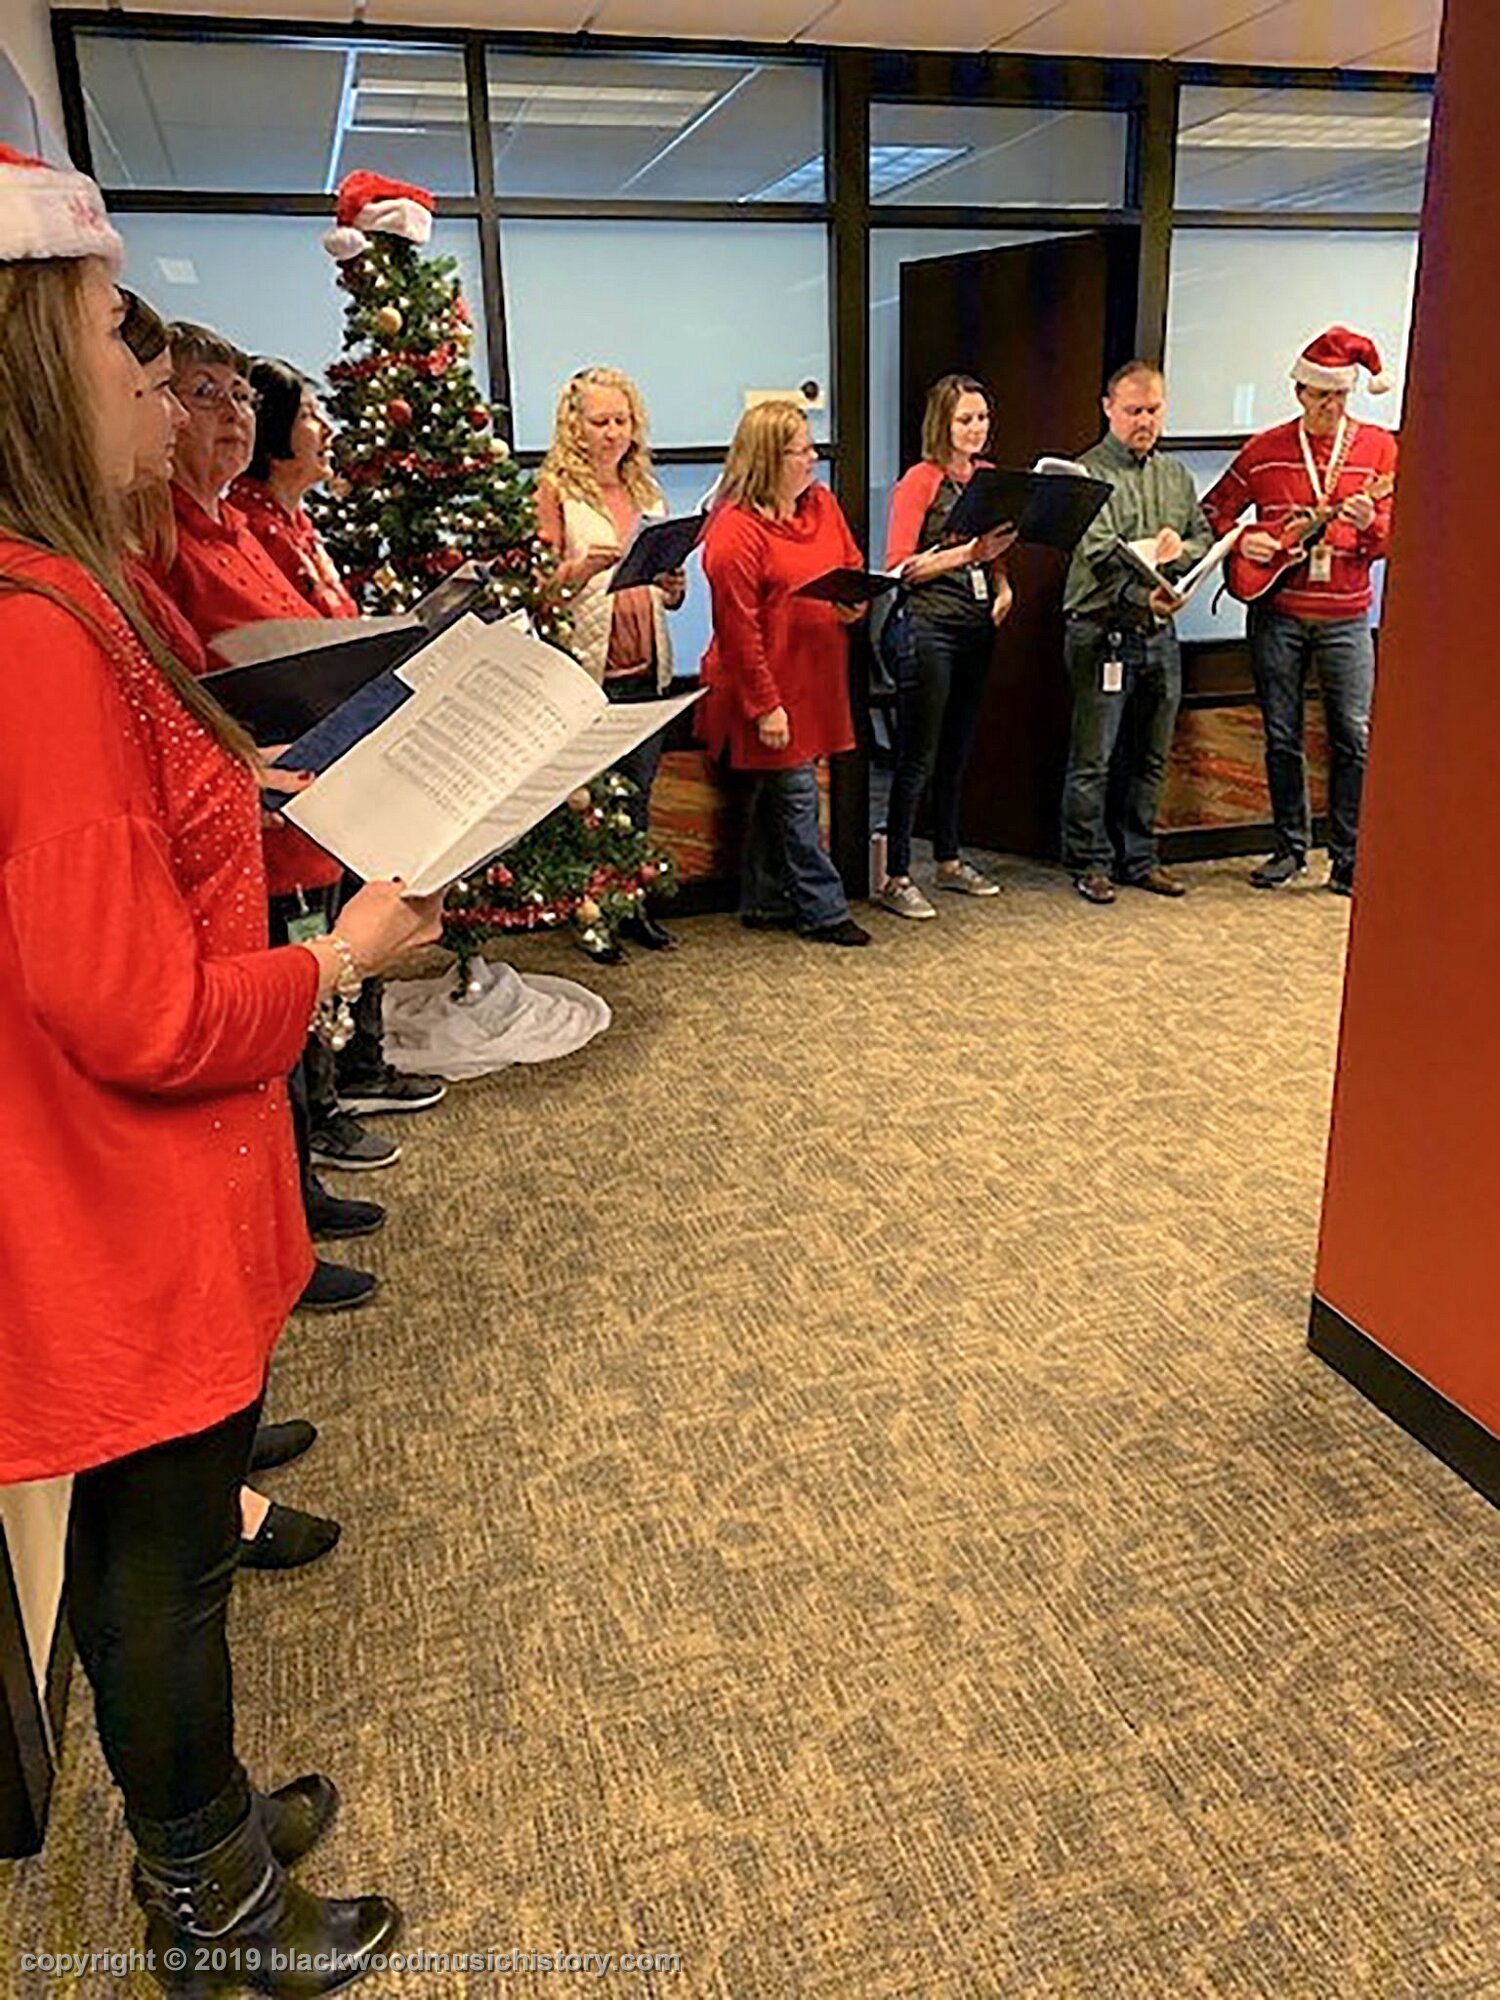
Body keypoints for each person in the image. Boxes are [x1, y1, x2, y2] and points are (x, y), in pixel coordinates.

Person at [0, 145, 442, 1987]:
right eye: (119, 333)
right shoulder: (36, 628)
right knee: (161, 1565)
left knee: (159, 1546)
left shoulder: (67, 588)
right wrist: (336, 960)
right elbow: (139, 1011)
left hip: (132, 1185)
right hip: (114, 1196)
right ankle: (212, 1907)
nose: (156, 377)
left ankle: (210, 1829)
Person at [119, 289, 348, 1571]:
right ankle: (214, 1470)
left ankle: (229, 1431)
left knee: (270, 1099)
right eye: (179, 393)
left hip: (262, 815)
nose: (207, 419)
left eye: (222, 398)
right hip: (211, 885)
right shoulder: (112, 566)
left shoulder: (224, 524)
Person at [235, 355, 449, 1123]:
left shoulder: (294, 525)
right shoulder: (247, 531)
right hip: (288, 781)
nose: (325, 430)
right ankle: (322, 1104)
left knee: (343, 915)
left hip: (336, 767)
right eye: (308, 416)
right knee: (311, 935)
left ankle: (350, 1075)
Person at [1203, 326, 1398, 895]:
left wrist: (1371, 527)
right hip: (1278, 610)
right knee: (1281, 733)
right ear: (1299, 392)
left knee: (1354, 734)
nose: (1332, 407)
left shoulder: (1379, 450)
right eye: (1321, 396)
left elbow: (1399, 536)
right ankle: (1289, 848)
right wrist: (1247, 541)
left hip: (1347, 615)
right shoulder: (1264, 449)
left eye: (1341, 395)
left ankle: (1349, 857)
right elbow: (1213, 511)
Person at [699, 401, 870, 947]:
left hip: (816, 676)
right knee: (797, 796)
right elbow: (738, 629)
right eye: (802, 450)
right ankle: (825, 909)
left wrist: (854, 603)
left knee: (782, 794)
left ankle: (766, 899)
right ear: (770, 458)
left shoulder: (821, 505)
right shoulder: (734, 532)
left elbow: (851, 566)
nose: (813, 458)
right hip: (764, 683)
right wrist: (765, 705)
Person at [537, 366, 687, 956]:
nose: (613, 433)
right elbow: (539, 590)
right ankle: (592, 915)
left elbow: (668, 591)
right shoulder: (556, 490)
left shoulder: (645, 491)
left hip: (647, 668)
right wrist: (580, 571)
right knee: (591, 802)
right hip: (588, 670)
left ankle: (633, 906)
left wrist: (672, 586)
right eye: (600, 421)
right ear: (575, 425)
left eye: (622, 420)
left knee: (638, 797)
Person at [1060, 360, 1214, 904]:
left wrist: (1181, 551)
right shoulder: (1086, 473)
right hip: (1102, 629)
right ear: (1108, 409)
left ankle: (1140, 858)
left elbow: (1202, 538)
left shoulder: (1175, 476)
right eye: (1133, 411)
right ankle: (1090, 862)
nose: (1145, 420)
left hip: (1158, 631)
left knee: (1151, 754)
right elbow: (1100, 553)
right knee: (1094, 758)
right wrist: (1143, 589)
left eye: (1153, 409)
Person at [875, 373, 1018, 920]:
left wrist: (1002, 585)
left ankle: (950, 859)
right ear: (943, 423)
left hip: (974, 622)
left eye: (982, 418)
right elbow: (900, 567)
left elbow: (994, 550)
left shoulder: (987, 477)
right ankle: (896, 874)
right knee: (919, 755)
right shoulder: (920, 480)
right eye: (965, 419)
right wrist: (967, 555)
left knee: (958, 750)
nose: (976, 428)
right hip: (928, 624)